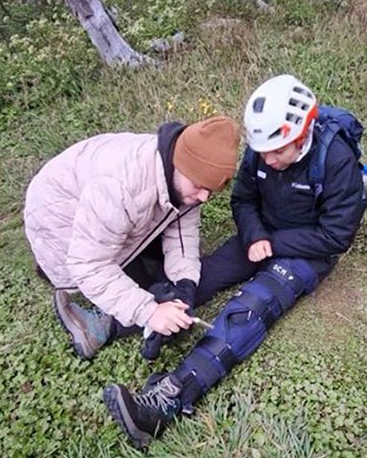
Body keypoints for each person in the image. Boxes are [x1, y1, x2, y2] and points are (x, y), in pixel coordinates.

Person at [102, 74, 367, 448]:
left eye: (279, 150)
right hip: (260, 236)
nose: (269, 159)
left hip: (307, 252)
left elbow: (337, 236)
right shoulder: (261, 150)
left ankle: (168, 399)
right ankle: (111, 323)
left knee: (251, 307)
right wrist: (255, 234)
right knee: (202, 276)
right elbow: (243, 200)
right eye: (263, 151)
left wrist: (271, 243)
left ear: (304, 133)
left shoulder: (336, 159)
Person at [23, 115, 240, 359]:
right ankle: (95, 326)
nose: (204, 198)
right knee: (150, 293)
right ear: (180, 165)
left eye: (210, 190)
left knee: (171, 289)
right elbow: (88, 264)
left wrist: (185, 284)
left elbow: (182, 231)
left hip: (110, 216)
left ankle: (141, 290)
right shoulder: (120, 187)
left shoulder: (187, 177)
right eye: (199, 187)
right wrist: (149, 312)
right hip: (59, 228)